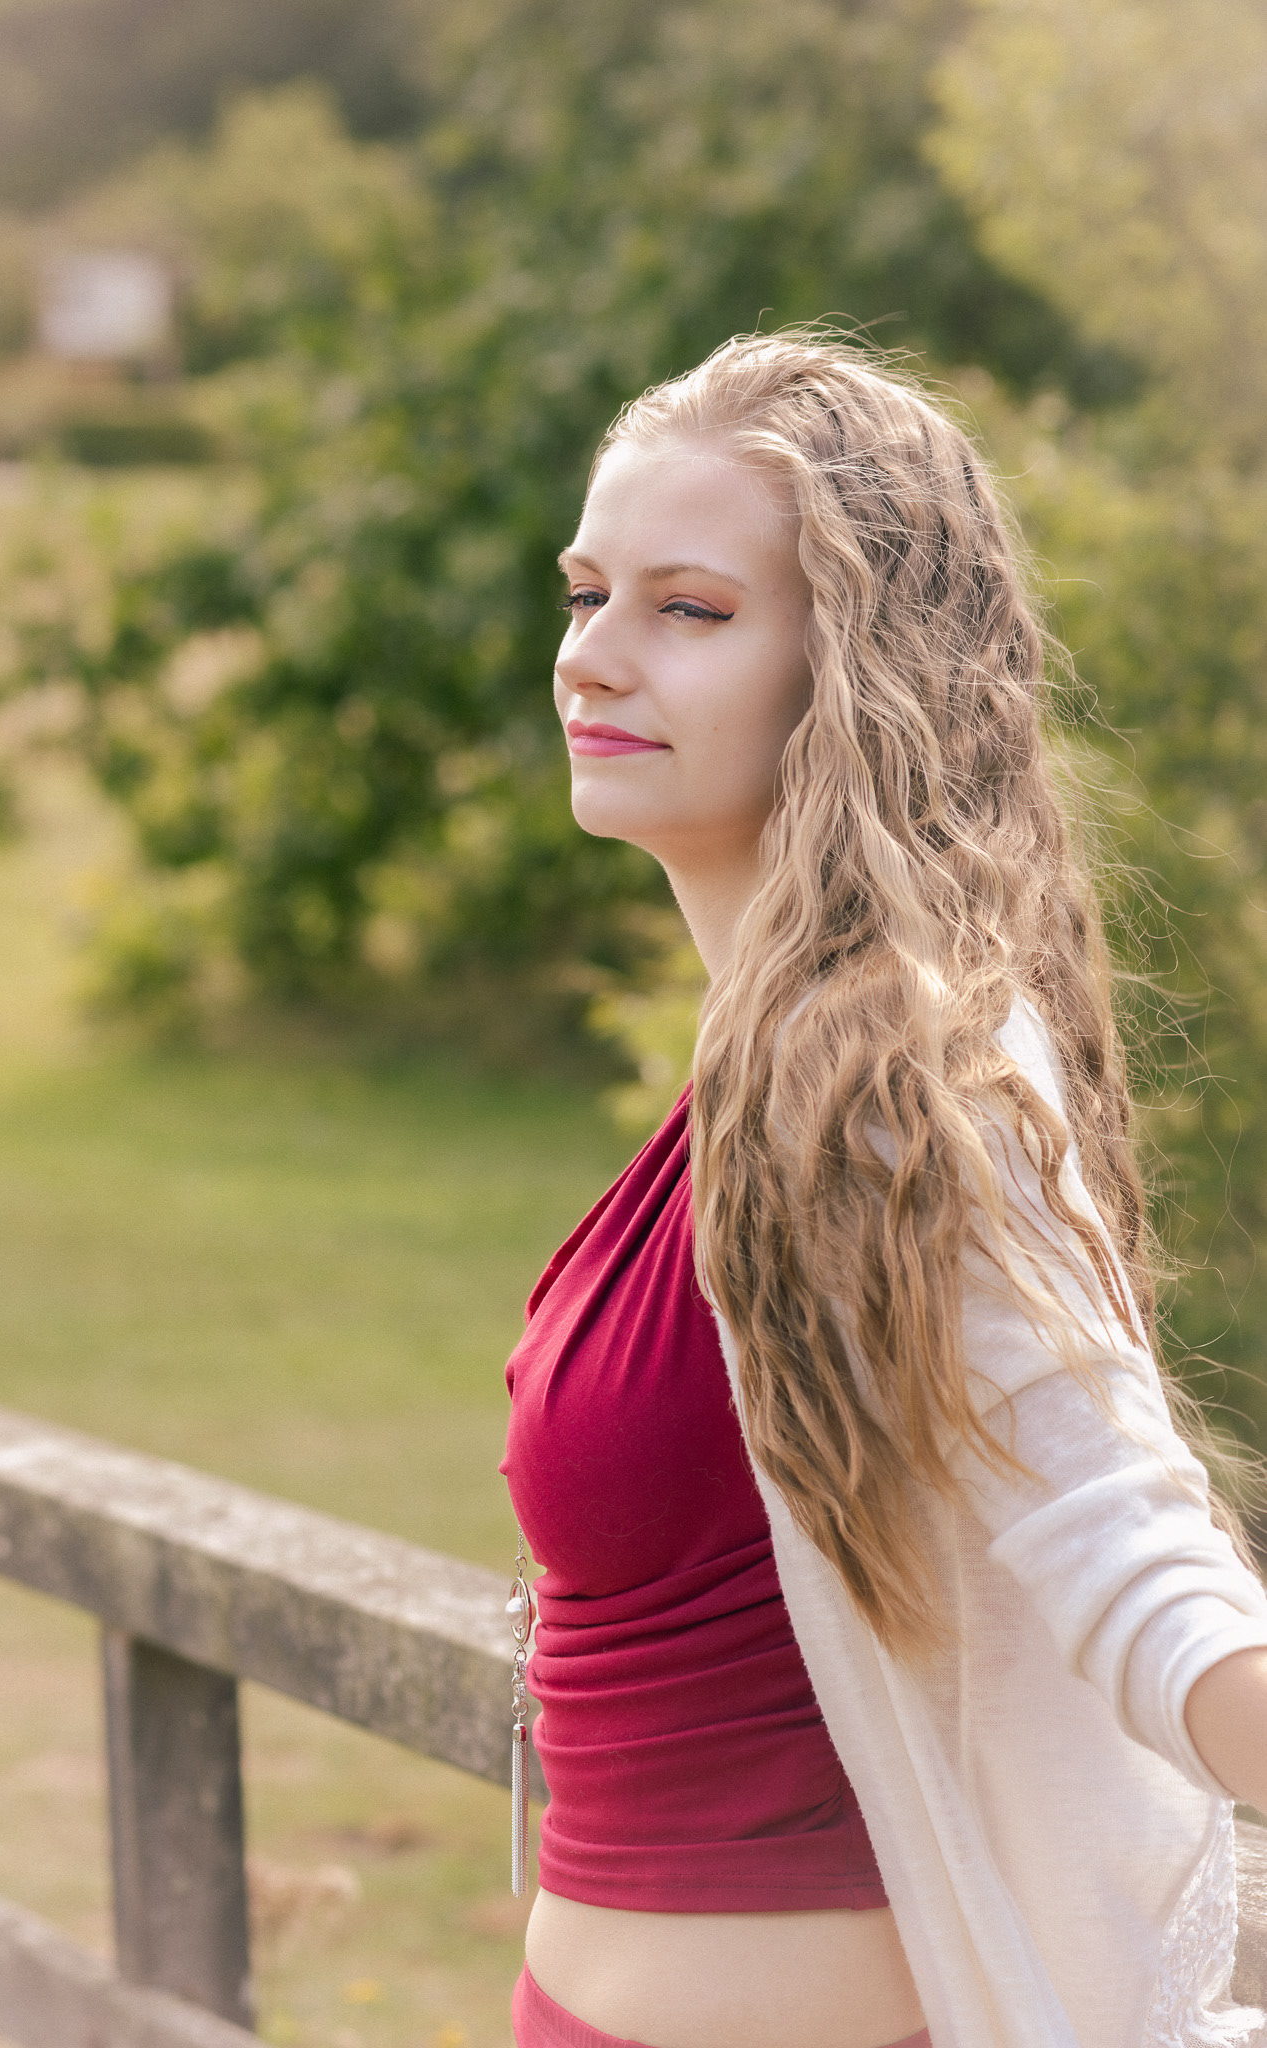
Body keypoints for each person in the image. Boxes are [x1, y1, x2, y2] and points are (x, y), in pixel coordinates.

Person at [499, 331, 1267, 2048]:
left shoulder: (902, 1090)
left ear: (850, 671)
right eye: (586, 593)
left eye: (688, 609)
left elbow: (1129, 1549)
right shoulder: (759, 1068)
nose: (591, 657)